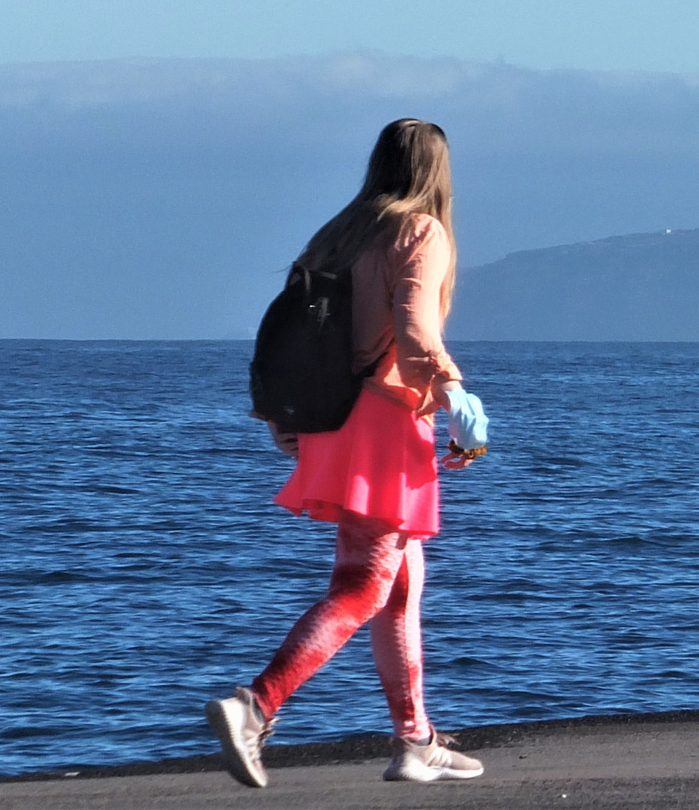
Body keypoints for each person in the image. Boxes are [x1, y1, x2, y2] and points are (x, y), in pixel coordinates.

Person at [206, 118, 490, 788]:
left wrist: (280, 412)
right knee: (363, 585)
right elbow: (414, 325)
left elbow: (293, 327)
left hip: (331, 418)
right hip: (383, 423)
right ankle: (256, 706)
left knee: (398, 587)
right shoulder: (420, 230)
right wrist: (454, 394)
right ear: (437, 170)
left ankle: (415, 741)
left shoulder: (339, 232)